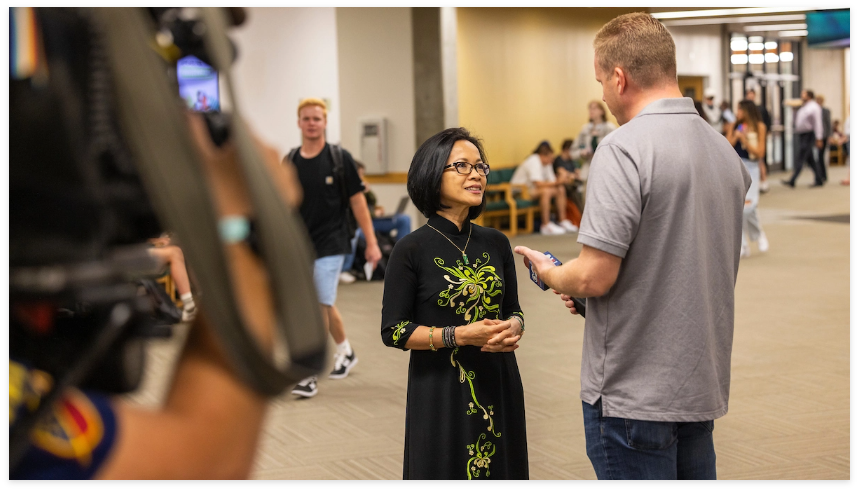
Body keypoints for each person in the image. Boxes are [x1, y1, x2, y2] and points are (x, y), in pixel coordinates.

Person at [515, 12, 750, 480]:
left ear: (619, 78)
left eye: (601, 80)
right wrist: (589, 302)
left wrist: (550, 272)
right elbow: (675, 262)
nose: (602, 92)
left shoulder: (623, 149)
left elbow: (593, 276)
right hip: (698, 382)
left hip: (633, 393)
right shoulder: (723, 151)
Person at [381, 127, 528, 480]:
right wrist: (459, 336)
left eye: (481, 167)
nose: (476, 174)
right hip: (441, 390)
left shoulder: (495, 242)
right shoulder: (411, 249)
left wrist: (514, 327)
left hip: (498, 378)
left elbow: (514, 309)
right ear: (433, 174)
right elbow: (394, 331)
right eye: (462, 166)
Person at [288, 98, 382, 397]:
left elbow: (358, 203)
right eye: (307, 118)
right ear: (299, 122)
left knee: (317, 304)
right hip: (302, 244)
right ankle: (346, 351)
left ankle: (307, 373)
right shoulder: (290, 161)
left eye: (317, 118)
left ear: (325, 122)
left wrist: (372, 242)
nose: (312, 123)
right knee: (324, 302)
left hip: (333, 241)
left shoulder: (340, 159)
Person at [341, 161, 412, 283]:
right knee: (356, 234)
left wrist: (368, 193)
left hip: (373, 220)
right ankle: (345, 269)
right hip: (359, 224)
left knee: (403, 219)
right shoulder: (345, 187)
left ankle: (403, 258)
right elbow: (353, 211)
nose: (361, 177)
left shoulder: (362, 186)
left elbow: (372, 204)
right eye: (359, 174)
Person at [727, 100, 770, 257]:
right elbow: (726, 146)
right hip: (735, 166)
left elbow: (760, 153)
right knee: (738, 209)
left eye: (740, 109)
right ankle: (743, 245)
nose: (737, 112)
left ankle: (758, 234)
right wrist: (737, 137)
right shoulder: (736, 125)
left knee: (750, 207)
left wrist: (745, 140)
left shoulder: (759, 126)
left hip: (752, 167)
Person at [510, 141, 579, 235]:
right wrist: (557, 182)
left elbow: (552, 181)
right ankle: (545, 225)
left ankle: (563, 221)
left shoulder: (547, 163)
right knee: (546, 191)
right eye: (550, 158)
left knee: (560, 189)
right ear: (543, 156)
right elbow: (538, 183)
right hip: (520, 191)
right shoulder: (534, 160)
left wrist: (561, 181)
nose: (552, 161)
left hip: (533, 189)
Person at [147, 233, 198, 322]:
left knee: (186, 244)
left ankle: (199, 295)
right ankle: (189, 305)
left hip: (145, 247)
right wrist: (154, 240)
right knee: (175, 252)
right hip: (129, 254)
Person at [782, 89, 826, 188]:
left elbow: (818, 123)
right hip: (802, 134)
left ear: (809, 96)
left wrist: (819, 138)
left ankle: (792, 180)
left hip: (809, 135)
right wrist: (794, 110)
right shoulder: (803, 107)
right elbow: (797, 121)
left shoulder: (814, 107)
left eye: (803, 94)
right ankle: (819, 179)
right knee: (810, 160)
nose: (801, 95)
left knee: (801, 157)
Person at [570, 100, 618, 168]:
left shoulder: (610, 128)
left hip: (605, 166)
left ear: (602, 111)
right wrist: (582, 153)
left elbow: (616, 150)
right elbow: (573, 152)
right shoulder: (585, 129)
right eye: (590, 108)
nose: (591, 111)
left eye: (594, 108)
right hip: (588, 168)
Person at [745, 88, 771, 193]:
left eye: (752, 94)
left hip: (757, 137)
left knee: (760, 160)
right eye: (749, 94)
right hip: (748, 138)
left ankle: (764, 180)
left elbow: (767, 122)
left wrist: (765, 134)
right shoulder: (744, 111)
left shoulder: (760, 109)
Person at [553, 138, 584, 225]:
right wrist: (572, 175)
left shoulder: (571, 161)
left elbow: (577, 173)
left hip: (573, 184)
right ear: (567, 150)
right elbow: (562, 173)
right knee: (574, 190)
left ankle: (583, 217)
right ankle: (582, 217)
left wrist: (575, 174)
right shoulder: (558, 160)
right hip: (563, 186)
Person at [816, 95, 833, 183]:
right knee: (819, 157)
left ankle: (822, 176)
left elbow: (828, 124)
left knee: (820, 156)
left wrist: (830, 136)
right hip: (816, 137)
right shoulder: (814, 111)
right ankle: (820, 176)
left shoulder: (826, 111)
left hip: (824, 136)